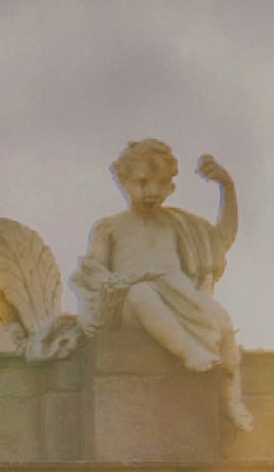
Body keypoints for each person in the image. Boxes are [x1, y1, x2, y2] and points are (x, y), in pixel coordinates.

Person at [69, 137, 250, 425]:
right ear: (123, 181)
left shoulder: (177, 224)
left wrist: (227, 189)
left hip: (178, 296)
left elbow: (220, 241)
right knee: (142, 295)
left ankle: (230, 400)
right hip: (131, 304)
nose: (152, 191)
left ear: (170, 186)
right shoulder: (110, 227)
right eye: (141, 182)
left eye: (161, 183)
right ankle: (188, 350)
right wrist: (112, 283)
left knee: (223, 319)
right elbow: (93, 271)